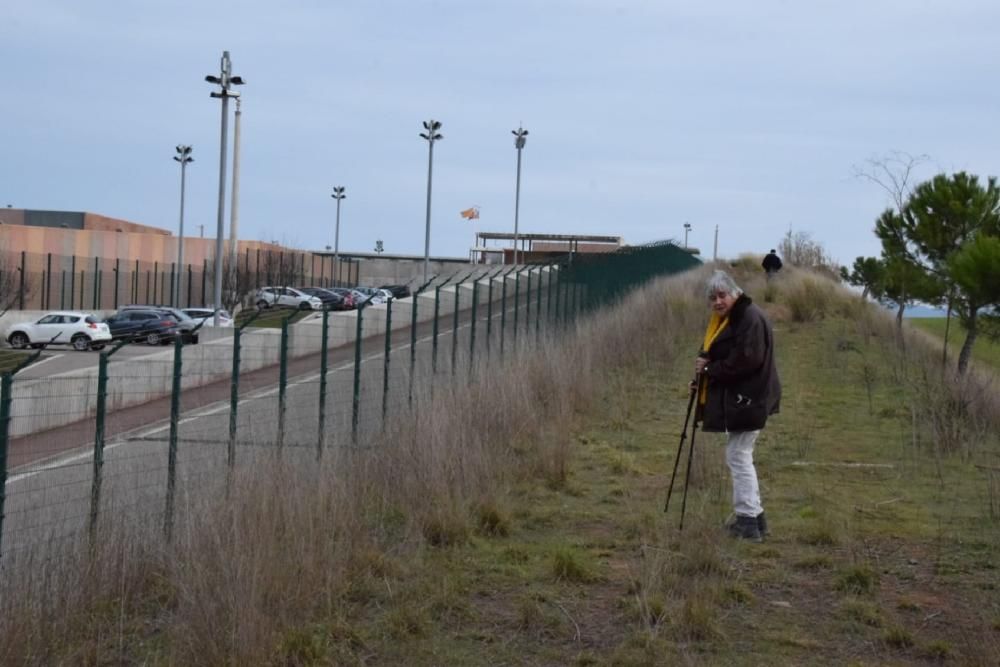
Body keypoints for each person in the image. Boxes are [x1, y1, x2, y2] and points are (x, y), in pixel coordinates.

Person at [693, 270, 781, 541]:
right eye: (713, 298)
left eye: (722, 295)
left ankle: (748, 522)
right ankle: (756, 519)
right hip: (747, 398)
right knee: (741, 455)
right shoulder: (736, 317)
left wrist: (710, 369)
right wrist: (705, 372)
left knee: (738, 456)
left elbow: (746, 360)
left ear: (735, 293)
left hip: (750, 399)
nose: (717, 302)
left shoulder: (749, 318)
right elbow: (729, 353)